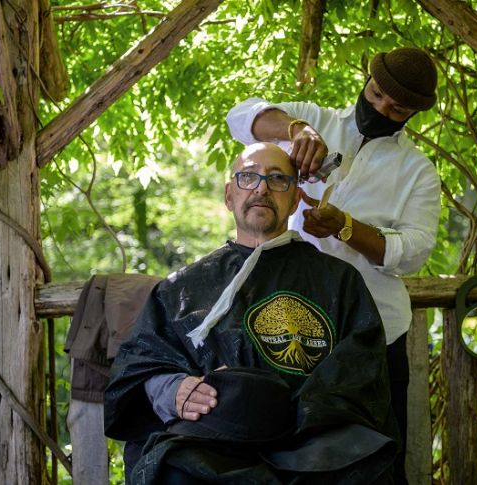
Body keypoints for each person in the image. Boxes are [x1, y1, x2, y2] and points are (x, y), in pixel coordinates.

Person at [105, 142, 400, 483]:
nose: (261, 187)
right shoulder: (180, 289)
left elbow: (361, 371)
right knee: (172, 470)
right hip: (214, 444)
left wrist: (284, 410)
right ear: (229, 195)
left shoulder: (339, 280)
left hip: (312, 443)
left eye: (278, 179)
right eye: (249, 177)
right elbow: (138, 368)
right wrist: (172, 390)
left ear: (294, 198)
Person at [226, 46, 442, 482]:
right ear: (367, 81)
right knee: (288, 450)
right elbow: (239, 116)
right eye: (376, 93)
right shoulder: (315, 120)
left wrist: (346, 227)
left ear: (411, 114)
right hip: (289, 320)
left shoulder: (418, 172)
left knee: (372, 456)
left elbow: (415, 251)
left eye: (394, 107)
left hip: (373, 331)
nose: (379, 107)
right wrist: (296, 128)